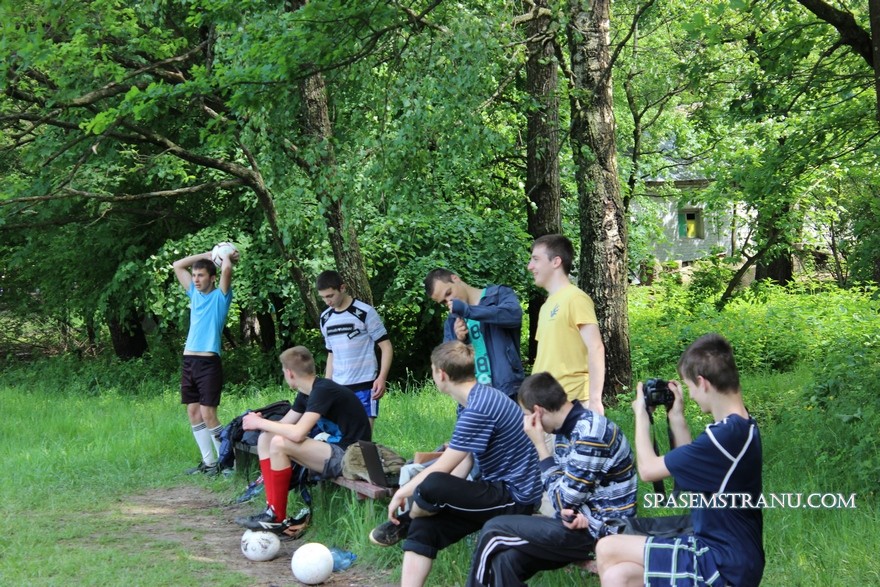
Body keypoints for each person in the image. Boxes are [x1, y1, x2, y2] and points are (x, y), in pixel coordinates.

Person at [369, 341, 543, 587]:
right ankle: (411, 526)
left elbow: (441, 468)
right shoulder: (470, 402)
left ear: (441, 374)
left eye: (432, 370)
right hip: (493, 491)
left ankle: (406, 519)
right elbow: (465, 461)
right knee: (425, 526)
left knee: (433, 484)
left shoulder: (480, 408)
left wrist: (402, 493)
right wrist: (448, 493)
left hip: (516, 498)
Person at [596, 333, 764, 587]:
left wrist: (641, 416)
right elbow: (693, 468)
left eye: (690, 386)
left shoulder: (724, 437)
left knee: (607, 548)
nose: (692, 395)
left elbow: (648, 470)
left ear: (702, 382)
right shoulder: (742, 426)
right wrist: (676, 417)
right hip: (730, 554)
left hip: (721, 563)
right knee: (619, 576)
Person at [466, 372, 637, 586]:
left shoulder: (590, 435)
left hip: (603, 531)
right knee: (506, 560)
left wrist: (540, 446)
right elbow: (565, 497)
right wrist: (566, 507)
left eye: (526, 415)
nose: (524, 423)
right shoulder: (565, 431)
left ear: (537, 412)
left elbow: (563, 500)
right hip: (577, 523)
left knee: (494, 528)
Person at [235, 346, 371, 536]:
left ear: (289, 373)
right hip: (335, 450)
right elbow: (284, 425)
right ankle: (272, 511)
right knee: (267, 438)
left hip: (352, 456)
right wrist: (261, 423)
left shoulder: (323, 390)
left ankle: (276, 518)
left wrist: (261, 422)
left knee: (279, 444)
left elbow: (298, 433)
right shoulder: (307, 393)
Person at [172, 247, 238, 475]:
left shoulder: (221, 297)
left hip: (208, 363)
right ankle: (209, 462)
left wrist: (224, 257)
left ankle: (227, 464)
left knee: (208, 413)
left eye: (201, 275)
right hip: (189, 360)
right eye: (194, 275)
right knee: (193, 412)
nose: (196, 280)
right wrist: (208, 255)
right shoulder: (194, 294)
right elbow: (177, 265)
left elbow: (227, 270)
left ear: (212, 278)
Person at [528, 234, 606, 415]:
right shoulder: (546, 306)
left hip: (572, 403)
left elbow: (596, 347)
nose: (530, 266)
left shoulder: (575, 298)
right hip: (545, 402)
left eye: (536, 259)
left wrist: (595, 400)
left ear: (556, 262)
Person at [423, 269, 524, 399]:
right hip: (472, 397)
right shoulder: (452, 321)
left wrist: (468, 311)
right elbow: (447, 365)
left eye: (448, 293)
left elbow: (514, 316)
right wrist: (459, 340)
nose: (449, 302)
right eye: (443, 302)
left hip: (508, 390)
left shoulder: (498, 294)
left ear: (455, 278)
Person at [317, 270, 393, 429]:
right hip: (338, 387)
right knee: (342, 438)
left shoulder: (365, 312)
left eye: (330, 296)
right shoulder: (325, 318)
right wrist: (327, 384)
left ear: (342, 288)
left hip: (365, 386)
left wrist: (381, 378)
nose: (327, 301)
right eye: (323, 297)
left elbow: (386, 346)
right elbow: (331, 353)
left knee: (363, 439)